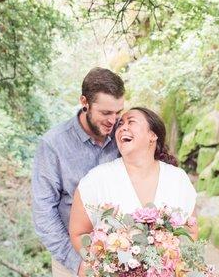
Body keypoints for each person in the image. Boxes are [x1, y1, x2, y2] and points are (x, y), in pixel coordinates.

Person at [32, 67, 125, 277]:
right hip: (71, 261)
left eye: (118, 112)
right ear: (84, 102)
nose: (113, 120)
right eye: (106, 113)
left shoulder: (123, 133)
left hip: (122, 255)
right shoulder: (53, 144)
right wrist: (77, 263)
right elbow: (43, 212)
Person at [69, 107, 198, 257]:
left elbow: (191, 231)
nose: (123, 127)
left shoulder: (178, 179)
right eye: (120, 124)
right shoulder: (96, 179)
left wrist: (168, 266)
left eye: (131, 122)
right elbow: (79, 234)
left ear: (152, 135)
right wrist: (108, 263)